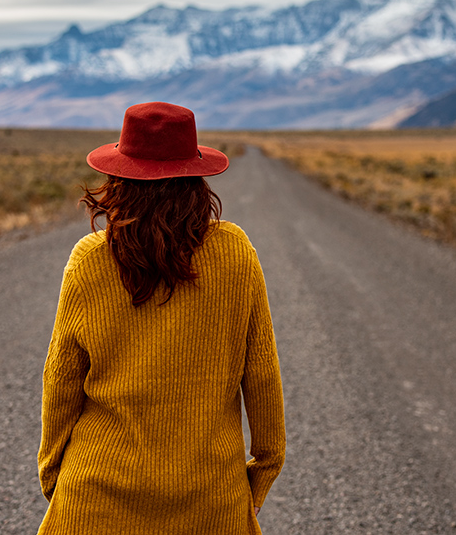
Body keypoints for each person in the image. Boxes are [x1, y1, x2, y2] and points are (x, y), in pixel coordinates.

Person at [36, 102, 285, 534]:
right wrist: (261, 474)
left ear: (117, 178)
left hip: (96, 495)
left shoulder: (88, 260)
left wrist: (53, 473)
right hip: (210, 497)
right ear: (196, 178)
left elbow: (61, 377)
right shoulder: (234, 251)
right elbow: (261, 372)